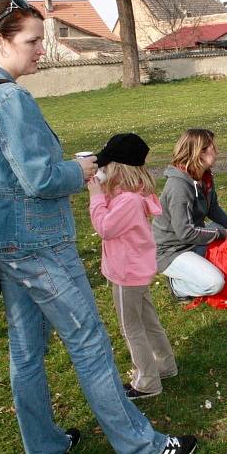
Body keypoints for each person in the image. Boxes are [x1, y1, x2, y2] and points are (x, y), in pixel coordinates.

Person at [0, 0, 196, 454]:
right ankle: (141, 446)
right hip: (37, 245)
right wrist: (80, 168)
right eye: (31, 41)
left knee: (26, 351)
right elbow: (40, 178)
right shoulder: (8, 98)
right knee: (89, 342)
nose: (40, 50)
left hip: (1, 242)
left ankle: (43, 444)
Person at [87, 133, 177, 401]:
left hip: (126, 274)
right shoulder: (130, 194)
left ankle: (147, 381)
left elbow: (104, 228)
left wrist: (95, 197)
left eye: (104, 167)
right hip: (136, 271)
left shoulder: (128, 201)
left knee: (132, 328)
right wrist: (104, 192)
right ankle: (166, 365)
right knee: (148, 321)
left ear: (117, 168)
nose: (100, 172)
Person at [153, 128, 227, 301]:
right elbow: (185, 232)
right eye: (213, 147)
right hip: (173, 250)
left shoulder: (204, 176)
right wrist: (225, 234)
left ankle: (206, 263)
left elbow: (213, 209)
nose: (217, 151)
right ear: (200, 152)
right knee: (215, 283)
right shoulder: (178, 186)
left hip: (194, 240)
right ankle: (177, 286)